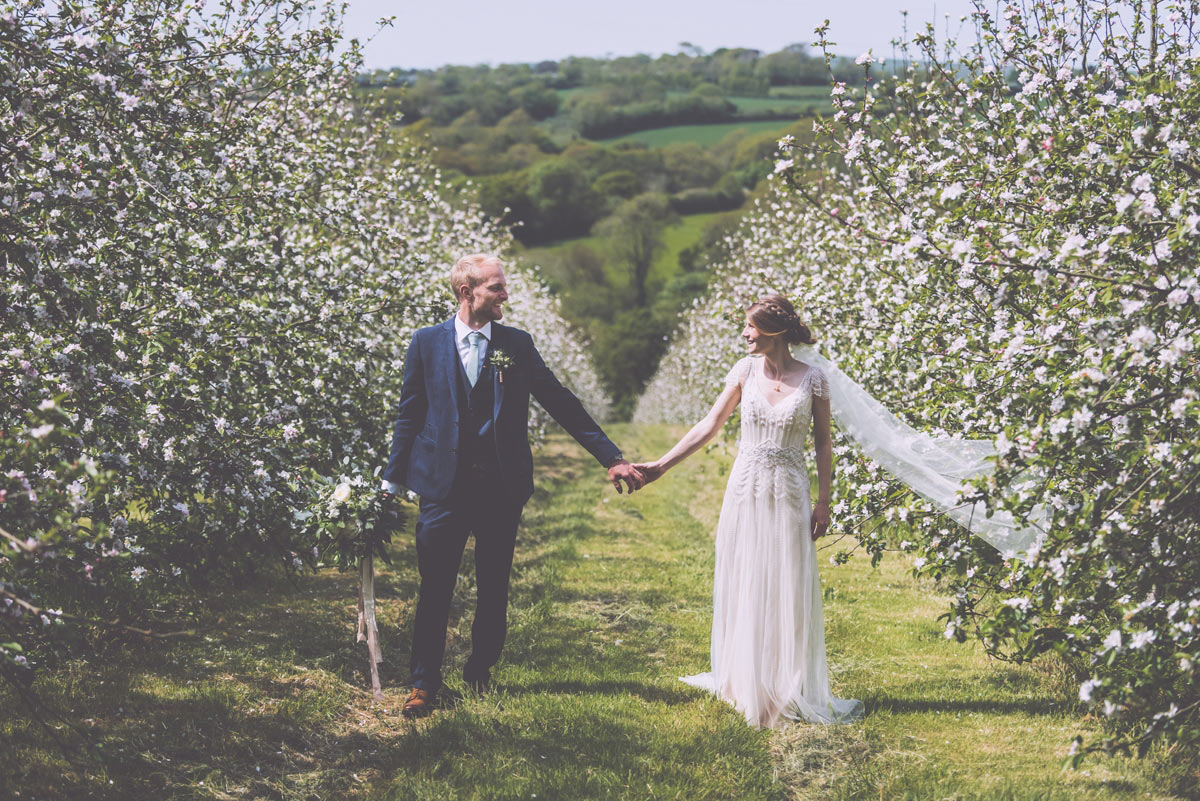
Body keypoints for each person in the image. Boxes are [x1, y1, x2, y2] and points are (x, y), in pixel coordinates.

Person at [380, 253, 645, 718]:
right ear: (468, 292)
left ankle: (479, 671)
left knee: (494, 586)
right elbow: (410, 413)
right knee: (435, 586)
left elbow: (559, 401)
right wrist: (392, 481)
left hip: (501, 489)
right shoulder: (425, 343)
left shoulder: (514, 345)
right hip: (442, 488)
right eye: (497, 288)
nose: (506, 295)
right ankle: (424, 683)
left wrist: (612, 457)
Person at [634, 295, 864, 728]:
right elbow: (709, 425)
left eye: (751, 327)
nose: (744, 333)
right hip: (746, 488)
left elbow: (823, 443)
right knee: (746, 576)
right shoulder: (744, 372)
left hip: (791, 491)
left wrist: (824, 501)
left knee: (787, 581)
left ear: (774, 331)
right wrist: (660, 466)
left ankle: (786, 685)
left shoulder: (813, 380)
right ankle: (745, 682)